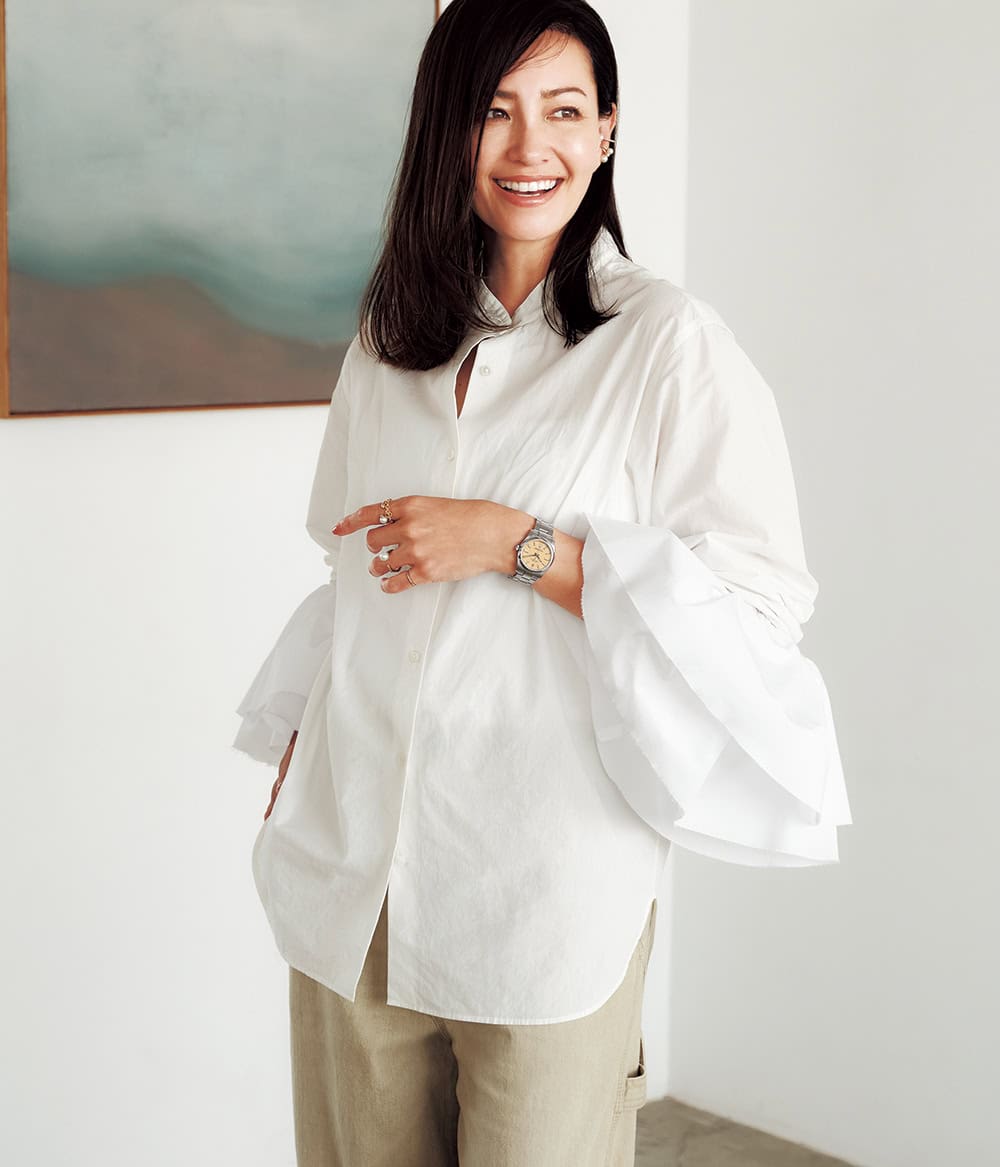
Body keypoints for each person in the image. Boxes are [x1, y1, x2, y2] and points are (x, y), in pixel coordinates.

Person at [232, 1, 852, 1163]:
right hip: (351, 873)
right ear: (446, 130)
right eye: (494, 111)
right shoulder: (390, 335)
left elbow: (761, 612)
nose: (531, 147)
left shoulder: (668, 347)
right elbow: (350, 569)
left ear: (606, 131)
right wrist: (298, 746)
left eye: (564, 111)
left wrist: (520, 546)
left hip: (544, 887)